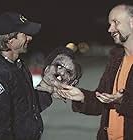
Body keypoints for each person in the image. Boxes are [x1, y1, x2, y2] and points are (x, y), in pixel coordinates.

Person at [56, 4, 133, 140]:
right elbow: (101, 102)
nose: (110, 29)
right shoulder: (116, 59)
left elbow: (121, 101)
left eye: (116, 22)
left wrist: (123, 101)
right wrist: (82, 97)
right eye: (110, 24)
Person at [0, 12, 53, 140]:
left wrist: (50, 89)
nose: (30, 38)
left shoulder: (18, 65)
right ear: (10, 41)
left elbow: (26, 107)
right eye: (25, 34)